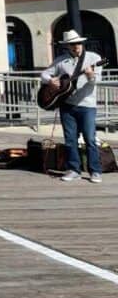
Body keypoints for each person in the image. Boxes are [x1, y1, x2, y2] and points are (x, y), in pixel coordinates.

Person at [41, 30, 104, 183]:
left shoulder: (94, 58)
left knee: (90, 138)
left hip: (87, 105)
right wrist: (50, 81)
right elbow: (44, 74)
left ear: (82, 44)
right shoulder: (61, 61)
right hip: (67, 105)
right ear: (67, 46)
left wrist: (90, 75)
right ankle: (73, 169)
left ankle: (95, 171)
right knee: (70, 139)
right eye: (72, 44)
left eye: (78, 43)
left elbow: (97, 81)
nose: (76, 46)